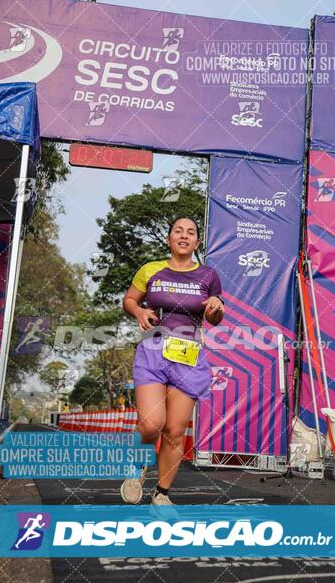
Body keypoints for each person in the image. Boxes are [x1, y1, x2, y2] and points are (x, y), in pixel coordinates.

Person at [120, 216, 224, 505]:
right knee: (152, 424)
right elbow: (129, 300)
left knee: (175, 431)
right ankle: (134, 465)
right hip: (153, 350)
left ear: (197, 242)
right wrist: (138, 312)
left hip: (187, 354)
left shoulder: (208, 276)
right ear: (169, 238)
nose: (184, 235)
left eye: (191, 232)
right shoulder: (151, 269)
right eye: (178, 231)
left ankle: (161, 494)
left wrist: (217, 308)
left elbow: (214, 317)